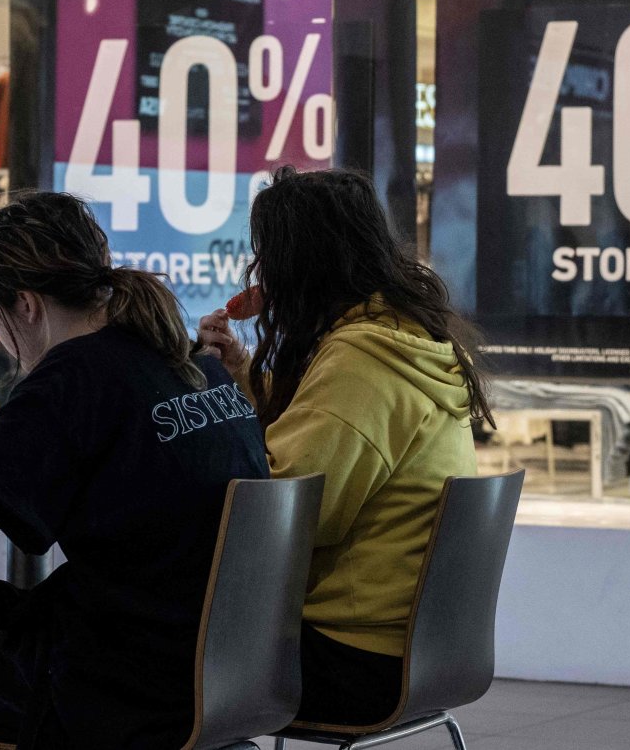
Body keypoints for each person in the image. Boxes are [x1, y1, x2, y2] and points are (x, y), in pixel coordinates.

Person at [0, 192, 267, 749]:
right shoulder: (185, 360)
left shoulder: (72, 375)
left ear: (25, 305)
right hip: (222, 660)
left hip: (127, 679)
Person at [197, 167, 492, 727]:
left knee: (133, 647)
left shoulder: (361, 362)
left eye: (268, 258)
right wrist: (242, 376)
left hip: (352, 658)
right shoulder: (405, 335)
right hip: (414, 649)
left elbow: (284, 516)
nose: (261, 276)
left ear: (300, 264)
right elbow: (329, 435)